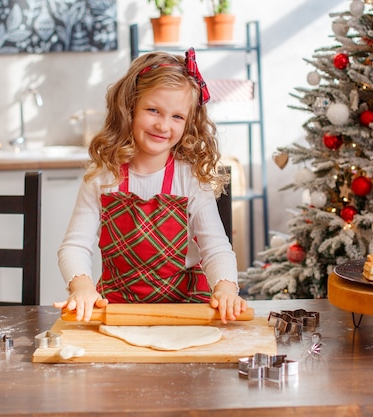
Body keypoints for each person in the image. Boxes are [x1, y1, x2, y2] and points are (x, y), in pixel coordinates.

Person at [54, 48, 248, 323]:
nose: (163, 125)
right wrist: (82, 287)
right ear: (129, 107)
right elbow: (74, 246)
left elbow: (215, 247)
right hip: (117, 309)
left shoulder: (189, 178)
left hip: (188, 309)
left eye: (177, 117)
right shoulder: (103, 176)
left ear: (189, 122)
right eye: (153, 110)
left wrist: (226, 289)